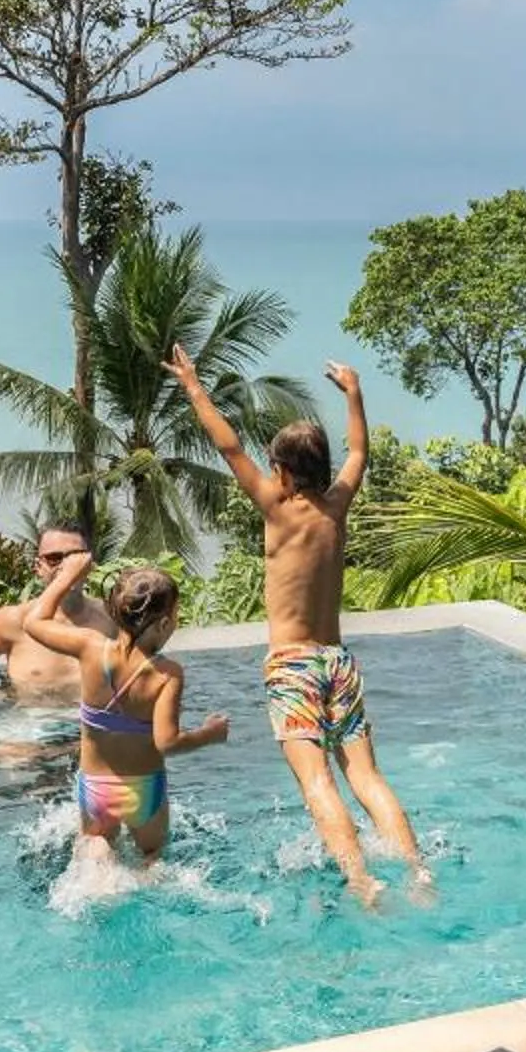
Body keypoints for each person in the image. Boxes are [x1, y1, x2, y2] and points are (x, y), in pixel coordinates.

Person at [166, 348, 428, 907]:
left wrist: (193, 386)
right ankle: (417, 873)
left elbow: (227, 445)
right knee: (368, 778)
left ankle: (362, 882)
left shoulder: (275, 507)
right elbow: (360, 450)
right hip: (339, 662)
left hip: (294, 666)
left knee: (317, 781)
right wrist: (354, 392)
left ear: (281, 471)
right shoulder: (339, 505)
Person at [22, 546, 226, 863]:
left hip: (96, 789)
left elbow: (33, 622)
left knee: (96, 844)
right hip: (143, 790)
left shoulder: (89, 647)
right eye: (176, 615)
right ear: (163, 624)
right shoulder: (167, 674)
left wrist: (67, 577)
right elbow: (167, 742)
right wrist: (210, 734)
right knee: (152, 857)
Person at [0, 522, 116, 698]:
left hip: (97, 715)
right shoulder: (14, 620)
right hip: (31, 713)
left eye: (75, 557)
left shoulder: (113, 617)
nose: (67, 567)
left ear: (89, 563)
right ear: (39, 567)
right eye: (54, 558)